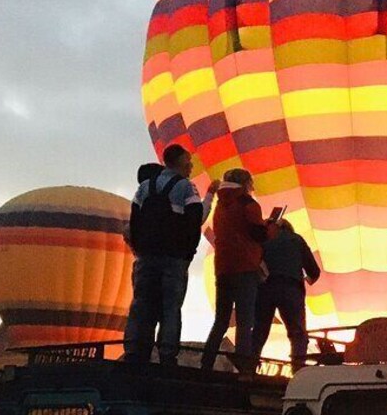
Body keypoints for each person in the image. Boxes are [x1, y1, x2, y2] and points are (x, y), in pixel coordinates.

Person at [123, 144, 206, 366]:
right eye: (188, 161)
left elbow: (134, 220)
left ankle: (135, 351)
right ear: (180, 161)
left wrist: (140, 249)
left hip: (146, 257)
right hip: (173, 258)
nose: (191, 165)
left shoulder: (144, 188)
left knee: (141, 304)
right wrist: (187, 253)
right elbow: (194, 221)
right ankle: (167, 354)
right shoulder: (186, 188)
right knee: (170, 307)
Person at [201, 169, 275, 373]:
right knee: (245, 320)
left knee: (221, 320)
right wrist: (270, 228)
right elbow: (258, 234)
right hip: (245, 266)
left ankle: (206, 362)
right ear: (246, 183)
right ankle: (243, 366)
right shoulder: (249, 204)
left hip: (223, 267)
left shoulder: (219, 205)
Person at [250, 219, 321, 372]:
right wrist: (308, 279)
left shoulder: (263, 240)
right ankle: (298, 371)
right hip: (291, 288)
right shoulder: (296, 240)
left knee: (259, 331)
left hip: (265, 288)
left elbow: (253, 264)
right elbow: (314, 271)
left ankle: (249, 368)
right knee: (298, 334)